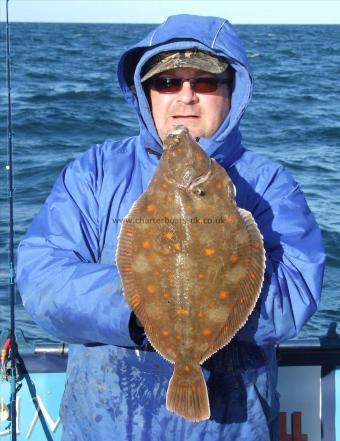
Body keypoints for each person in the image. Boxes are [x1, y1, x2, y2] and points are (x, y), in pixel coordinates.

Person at [16, 14, 325, 441]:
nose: (186, 97)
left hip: (231, 427)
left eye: (204, 82)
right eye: (167, 83)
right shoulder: (94, 172)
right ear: (145, 92)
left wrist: (202, 308)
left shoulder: (270, 185)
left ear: (230, 92)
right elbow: (41, 279)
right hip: (103, 423)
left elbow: (296, 292)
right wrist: (142, 309)